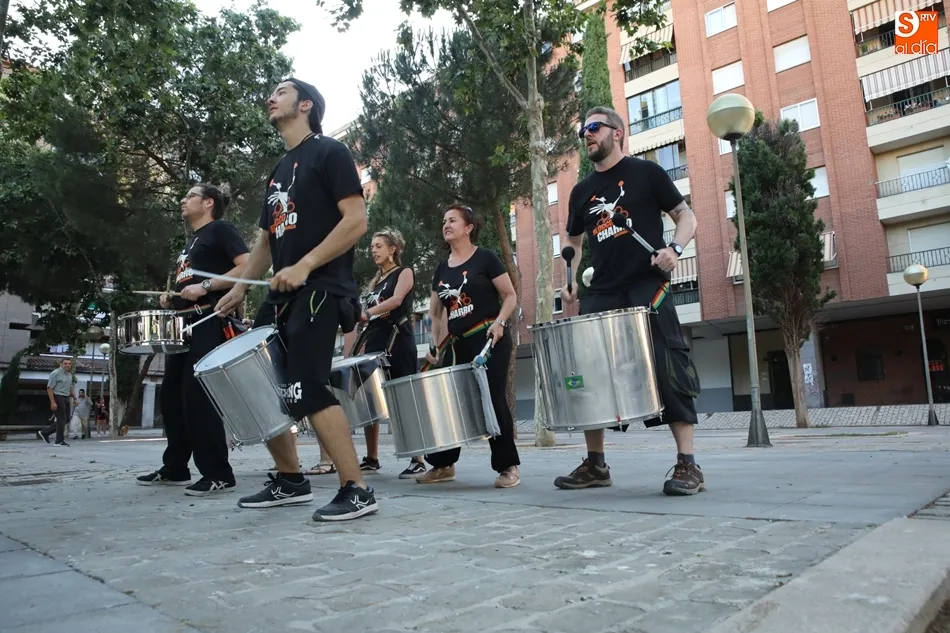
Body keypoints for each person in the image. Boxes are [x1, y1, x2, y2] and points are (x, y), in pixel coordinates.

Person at [215, 77, 377, 522]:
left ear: (305, 104)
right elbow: (266, 239)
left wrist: (305, 264)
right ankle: (290, 478)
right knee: (262, 383)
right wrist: (238, 288)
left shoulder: (330, 151)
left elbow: (357, 220)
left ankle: (357, 488)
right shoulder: (278, 169)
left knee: (305, 384)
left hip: (322, 286)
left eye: (282, 92)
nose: (270, 97)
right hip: (282, 292)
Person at [555, 106, 704, 496]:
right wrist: (569, 280)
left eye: (593, 127)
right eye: (582, 129)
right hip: (602, 290)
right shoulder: (581, 191)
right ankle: (595, 464)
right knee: (590, 375)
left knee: (667, 365)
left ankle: (688, 464)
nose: (586, 134)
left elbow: (686, 216)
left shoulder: (647, 173)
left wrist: (674, 248)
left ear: (617, 133)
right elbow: (572, 241)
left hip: (646, 286)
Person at [135, 183, 250, 496]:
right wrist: (171, 298)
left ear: (208, 202)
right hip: (184, 325)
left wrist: (208, 285)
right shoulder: (191, 243)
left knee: (199, 397)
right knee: (172, 397)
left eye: (190, 196)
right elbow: (189, 285)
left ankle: (218, 473)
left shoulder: (221, 230)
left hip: (210, 320)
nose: (183, 200)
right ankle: (175, 467)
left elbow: (247, 266)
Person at [418, 205, 520, 488]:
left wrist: (500, 322)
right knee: (453, 401)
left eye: (452, 220)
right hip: (458, 343)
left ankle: (508, 466)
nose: (446, 225)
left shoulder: (485, 258)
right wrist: (434, 345)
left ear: (468, 227)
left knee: (493, 397)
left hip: (490, 339)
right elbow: (436, 313)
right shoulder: (441, 268)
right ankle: (443, 464)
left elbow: (510, 295)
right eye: (443, 221)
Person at [352, 228, 427, 479]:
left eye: (378, 246)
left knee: (403, 398)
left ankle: (417, 458)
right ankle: (372, 458)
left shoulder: (404, 273)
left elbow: (396, 301)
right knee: (369, 401)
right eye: (372, 247)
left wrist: (368, 313)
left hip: (397, 341)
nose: (373, 250)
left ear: (393, 249)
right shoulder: (376, 282)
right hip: (374, 342)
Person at [38, 359, 77, 446]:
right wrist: (53, 402)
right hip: (57, 396)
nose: (67, 365)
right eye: (65, 363)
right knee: (61, 419)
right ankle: (59, 441)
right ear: (61, 364)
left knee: (66, 420)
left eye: (69, 364)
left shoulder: (69, 375)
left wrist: (75, 398)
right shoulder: (55, 373)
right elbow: (49, 388)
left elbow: (70, 388)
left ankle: (45, 432)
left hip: (66, 397)